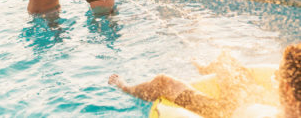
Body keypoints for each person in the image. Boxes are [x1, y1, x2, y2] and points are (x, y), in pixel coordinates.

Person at [108, 44, 301, 118]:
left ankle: (125, 87)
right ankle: (209, 67)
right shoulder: (291, 107)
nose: (273, 78)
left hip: (225, 112)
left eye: (277, 76)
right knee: (227, 58)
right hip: (251, 99)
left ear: (286, 88)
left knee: (163, 82)